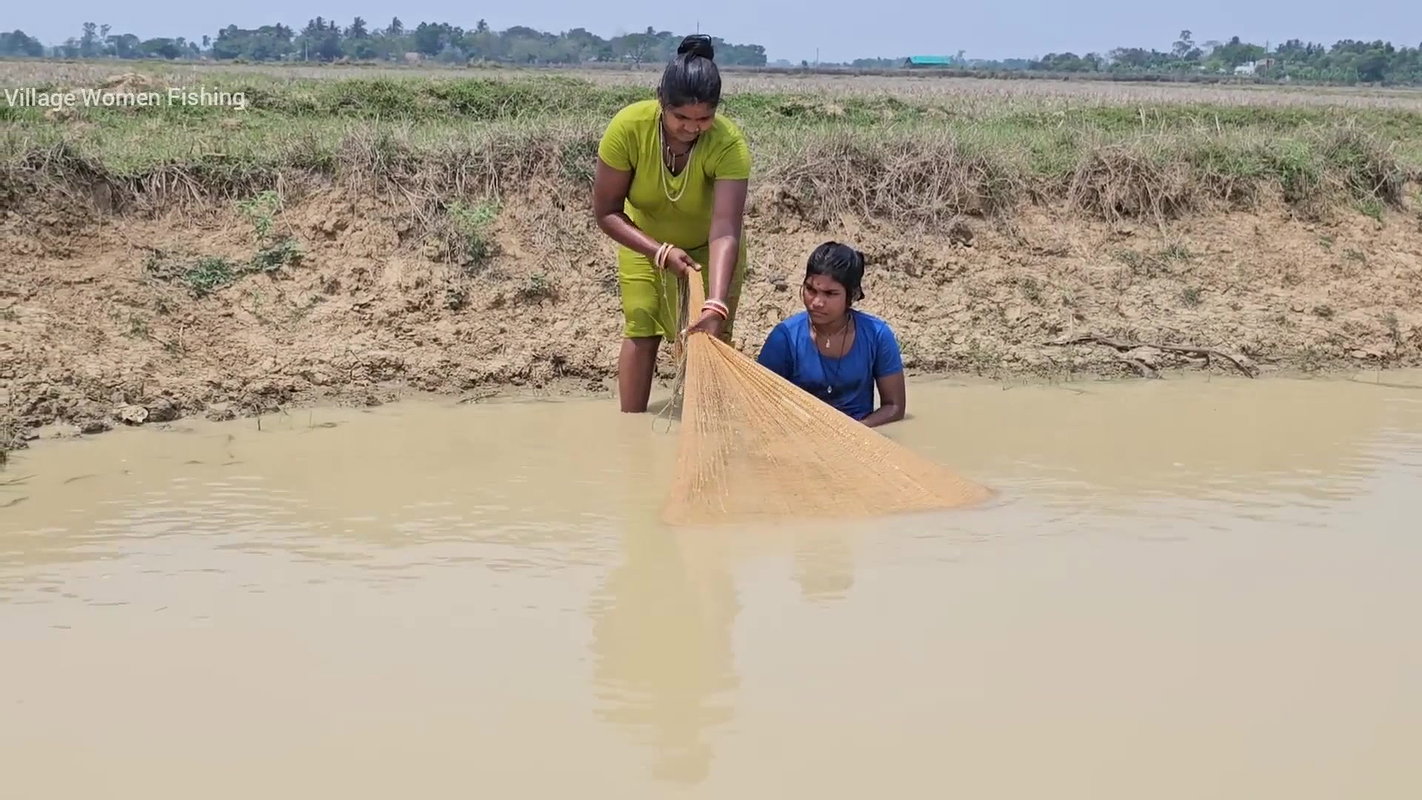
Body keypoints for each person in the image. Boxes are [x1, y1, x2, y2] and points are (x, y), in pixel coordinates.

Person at [592, 34, 751, 413]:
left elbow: (726, 228)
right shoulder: (628, 128)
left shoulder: (729, 145)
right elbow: (607, 212)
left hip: (710, 251)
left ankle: (703, 425)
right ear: (661, 102)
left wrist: (715, 303)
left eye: (704, 119)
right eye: (681, 117)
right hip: (645, 243)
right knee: (642, 326)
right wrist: (659, 251)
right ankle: (630, 426)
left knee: (708, 336)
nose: (693, 128)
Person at [757, 242, 907, 428]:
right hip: (801, 433)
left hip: (859, 434)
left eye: (830, 293)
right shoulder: (784, 338)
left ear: (851, 296)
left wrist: (856, 430)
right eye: (811, 290)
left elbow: (894, 407)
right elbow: (758, 405)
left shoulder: (877, 335)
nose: (817, 302)